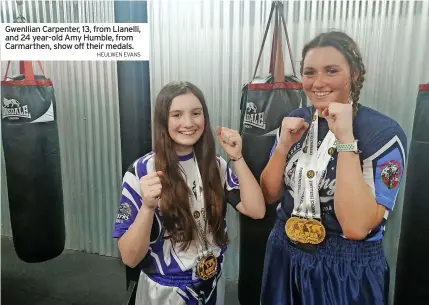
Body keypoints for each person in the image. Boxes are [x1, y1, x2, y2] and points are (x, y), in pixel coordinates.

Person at [259, 31, 407, 305]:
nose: (318, 82)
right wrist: (282, 147)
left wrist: (346, 140)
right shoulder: (295, 120)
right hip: (284, 250)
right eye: (309, 72)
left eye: (331, 71)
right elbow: (269, 195)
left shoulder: (383, 133)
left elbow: (356, 228)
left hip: (345, 266)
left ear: (354, 75)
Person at [113, 81, 266, 305]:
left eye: (196, 113)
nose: (188, 123)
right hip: (166, 290)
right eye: (177, 114)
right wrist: (147, 207)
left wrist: (237, 158)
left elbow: (256, 210)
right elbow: (130, 257)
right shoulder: (141, 171)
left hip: (212, 281)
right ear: (163, 120)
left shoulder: (215, 165)